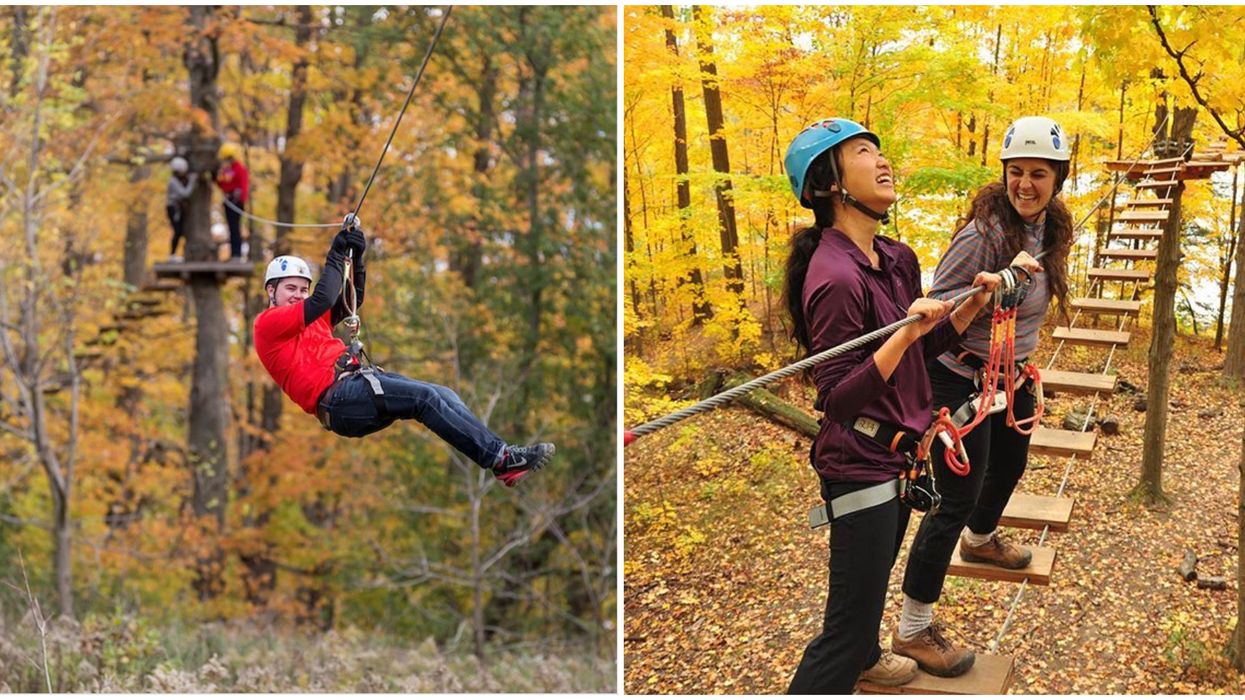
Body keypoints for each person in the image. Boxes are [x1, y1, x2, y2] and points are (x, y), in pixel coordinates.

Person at [782, 118, 1001, 694]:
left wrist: (972, 305)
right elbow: (836, 397)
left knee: (864, 605)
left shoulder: (895, 257)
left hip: (897, 458)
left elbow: (921, 349)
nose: (883, 162)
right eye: (863, 152)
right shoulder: (834, 276)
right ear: (830, 183)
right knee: (845, 635)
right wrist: (902, 334)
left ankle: (866, 657)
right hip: (859, 463)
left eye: (880, 151)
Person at [893, 116, 1073, 677]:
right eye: (1016, 172)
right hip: (959, 374)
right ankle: (913, 628)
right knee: (956, 497)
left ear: (1058, 179)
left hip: (1010, 374)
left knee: (1011, 463)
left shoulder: (1052, 227)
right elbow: (935, 308)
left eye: (1038, 174)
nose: (1025, 184)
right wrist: (992, 288)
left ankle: (983, 538)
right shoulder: (982, 235)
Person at [253, 224, 555, 486]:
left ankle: (502, 458)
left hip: (355, 390)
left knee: (441, 394)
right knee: (426, 399)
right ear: (271, 291)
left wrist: (356, 258)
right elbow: (323, 299)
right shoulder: (267, 324)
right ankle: (501, 459)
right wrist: (335, 252)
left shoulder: (310, 319)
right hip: (340, 400)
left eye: (303, 289)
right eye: (291, 288)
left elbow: (350, 299)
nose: (298, 295)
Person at [215, 143, 249, 260]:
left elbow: (243, 185)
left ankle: (237, 254)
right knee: (230, 228)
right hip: (228, 202)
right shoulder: (227, 170)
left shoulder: (239, 169)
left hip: (236, 202)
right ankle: (234, 253)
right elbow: (223, 184)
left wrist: (239, 198)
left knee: (235, 228)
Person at [165, 156, 196, 261]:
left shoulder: (176, 180)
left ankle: (179, 253)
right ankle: (172, 254)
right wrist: (192, 180)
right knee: (177, 231)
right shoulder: (173, 181)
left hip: (177, 208)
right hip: (173, 208)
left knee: (182, 230)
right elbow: (185, 193)